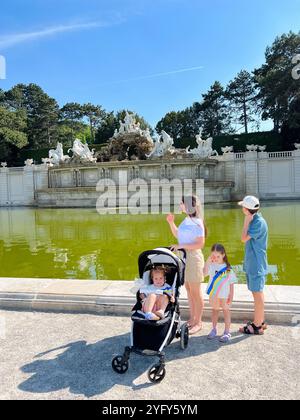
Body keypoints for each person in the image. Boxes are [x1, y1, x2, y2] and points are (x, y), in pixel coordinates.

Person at [167, 195, 206, 335]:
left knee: (196, 291)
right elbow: (178, 234)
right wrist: (171, 223)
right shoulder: (187, 220)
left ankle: (199, 322)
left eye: (182, 203)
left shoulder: (197, 222)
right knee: (189, 289)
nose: (180, 204)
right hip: (184, 257)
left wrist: (180, 246)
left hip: (193, 257)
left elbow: (200, 244)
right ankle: (192, 318)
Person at [238, 196, 269, 335]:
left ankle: (257, 325)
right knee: (256, 292)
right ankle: (260, 321)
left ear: (246, 209)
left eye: (243, 207)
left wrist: (245, 222)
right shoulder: (256, 220)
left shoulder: (256, 222)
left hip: (256, 263)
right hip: (253, 262)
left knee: (257, 293)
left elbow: (243, 238)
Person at [204, 244, 237, 343]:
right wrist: (207, 262)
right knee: (214, 310)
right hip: (214, 294)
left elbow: (231, 283)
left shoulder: (227, 268)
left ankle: (227, 332)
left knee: (226, 311)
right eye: (214, 256)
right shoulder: (211, 265)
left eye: (218, 256)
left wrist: (231, 295)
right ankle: (213, 329)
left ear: (223, 255)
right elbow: (204, 274)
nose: (216, 258)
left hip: (225, 295)